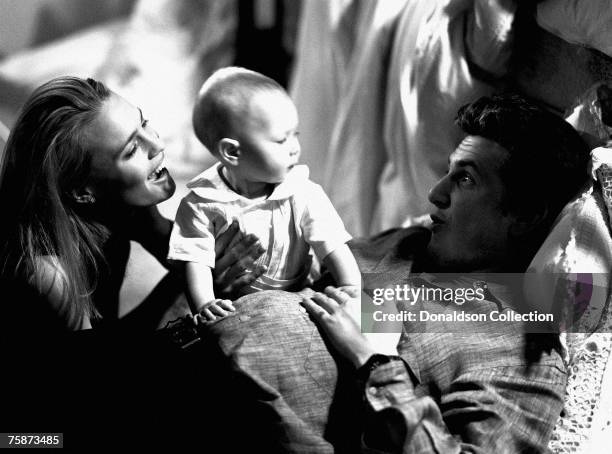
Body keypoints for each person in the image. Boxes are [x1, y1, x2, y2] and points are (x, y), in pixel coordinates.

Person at [207, 93, 591, 452]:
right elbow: (302, 289)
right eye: (448, 172)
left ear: (525, 215)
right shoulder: (405, 243)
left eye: (466, 179)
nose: (436, 194)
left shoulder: (520, 355)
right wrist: (236, 283)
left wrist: (375, 362)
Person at [168, 67, 360, 322]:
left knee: (371, 292)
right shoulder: (202, 203)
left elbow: (333, 244)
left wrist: (350, 286)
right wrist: (206, 303)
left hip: (301, 292)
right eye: (281, 140)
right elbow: (196, 261)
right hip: (238, 306)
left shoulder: (303, 191)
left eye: (296, 135)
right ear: (232, 153)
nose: (295, 148)